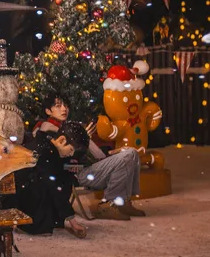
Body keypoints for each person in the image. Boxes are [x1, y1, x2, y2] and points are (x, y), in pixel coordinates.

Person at [37, 92, 144, 221]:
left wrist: (111, 153)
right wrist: (79, 142)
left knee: (131, 153)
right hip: (76, 173)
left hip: (89, 166)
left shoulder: (69, 127)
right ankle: (107, 204)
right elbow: (57, 161)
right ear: (48, 111)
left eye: (65, 105)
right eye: (58, 106)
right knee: (128, 156)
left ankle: (122, 201)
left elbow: (95, 154)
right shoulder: (47, 131)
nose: (64, 109)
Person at [15, 120, 89, 238]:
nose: (70, 155)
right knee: (53, 182)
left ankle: (53, 219)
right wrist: (73, 222)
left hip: (31, 186)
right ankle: (34, 224)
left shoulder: (49, 147)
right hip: (26, 193)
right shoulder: (44, 152)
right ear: (62, 140)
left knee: (64, 177)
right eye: (70, 150)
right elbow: (53, 186)